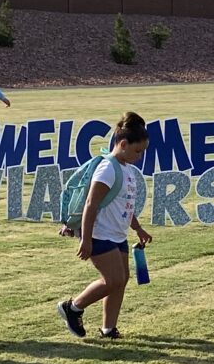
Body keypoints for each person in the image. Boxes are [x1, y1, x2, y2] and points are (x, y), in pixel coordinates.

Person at [57, 112, 152, 340]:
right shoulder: (108, 168)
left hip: (117, 234)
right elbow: (91, 204)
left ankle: (108, 329)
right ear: (122, 144)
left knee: (121, 281)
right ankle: (73, 307)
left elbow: (125, 206)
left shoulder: (127, 169)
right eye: (137, 151)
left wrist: (137, 228)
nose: (140, 156)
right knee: (113, 280)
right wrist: (86, 238)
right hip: (100, 233)